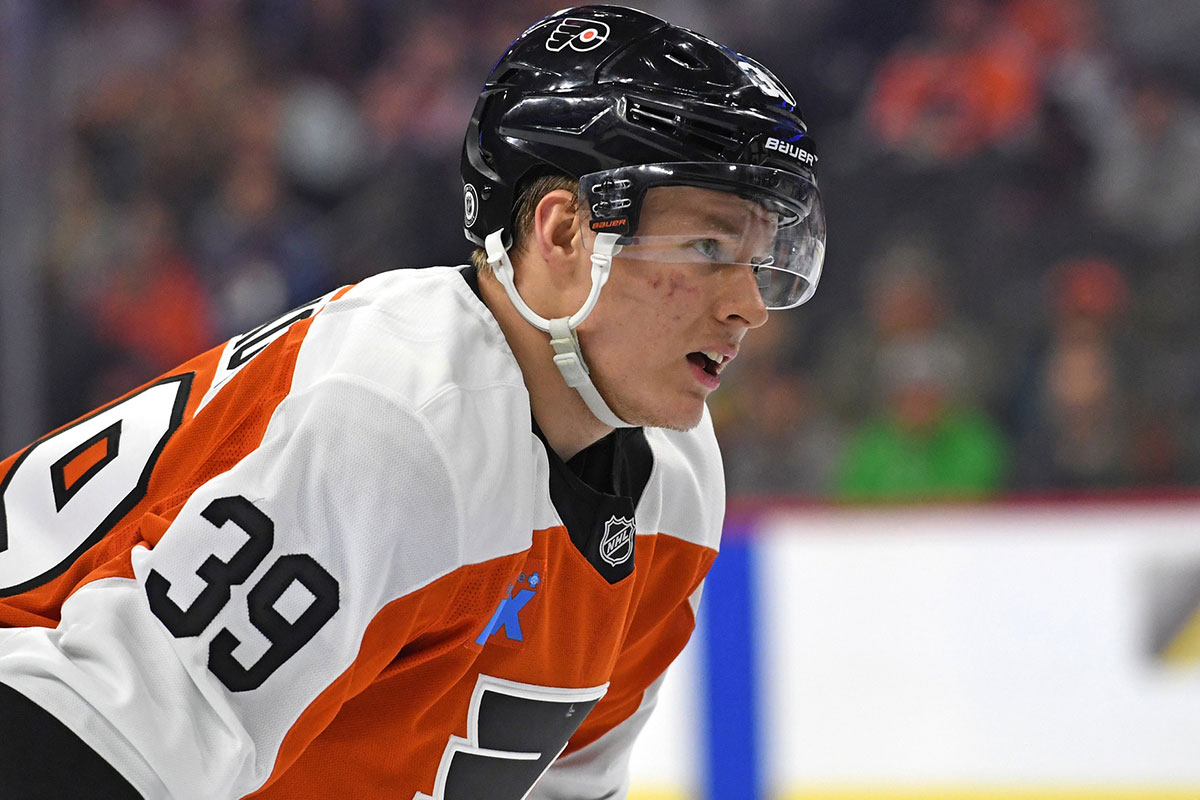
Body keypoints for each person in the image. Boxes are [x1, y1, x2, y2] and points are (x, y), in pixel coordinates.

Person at [0, 6, 826, 799]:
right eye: (711, 246)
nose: (749, 305)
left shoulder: (675, 481)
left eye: (758, 258)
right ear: (564, 233)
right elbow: (83, 742)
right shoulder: (398, 416)